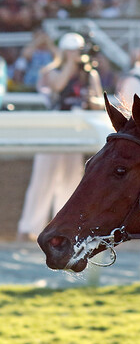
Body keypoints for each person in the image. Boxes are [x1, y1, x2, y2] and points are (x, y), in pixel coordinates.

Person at [17, 33, 104, 241]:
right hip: (53, 130)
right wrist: (70, 64)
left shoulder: (89, 74)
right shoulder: (50, 71)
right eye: (72, 50)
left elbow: (99, 100)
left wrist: (91, 100)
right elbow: (57, 86)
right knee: (43, 178)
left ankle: (63, 228)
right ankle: (29, 227)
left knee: (71, 180)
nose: (76, 54)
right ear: (65, 51)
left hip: (76, 131)